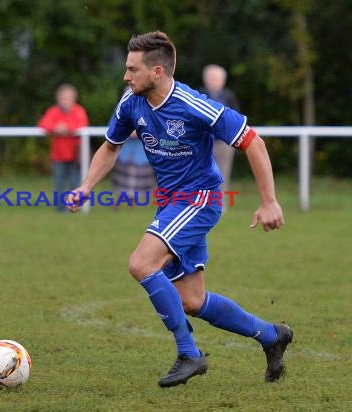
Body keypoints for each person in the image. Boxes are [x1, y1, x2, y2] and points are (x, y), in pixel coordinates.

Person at [67, 31, 292, 388]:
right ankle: (271, 335)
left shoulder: (193, 104)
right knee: (191, 300)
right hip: (171, 203)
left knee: (141, 263)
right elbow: (110, 147)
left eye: (132, 69)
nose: (126, 76)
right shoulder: (131, 102)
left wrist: (268, 201)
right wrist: (86, 186)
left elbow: (253, 141)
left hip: (200, 198)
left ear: (157, 71)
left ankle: (189, 353)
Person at [38, 83, 89, 212]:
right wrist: (56, 128)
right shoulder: (53, 112)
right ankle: (60, 210)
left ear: (74, 99)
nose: (64, 101)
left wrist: (65, 128)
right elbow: (44, 125)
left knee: (75, 184)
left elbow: (82, 125)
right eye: (62, 98)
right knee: (59, 184)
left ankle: (75, 208)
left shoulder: (79, 111)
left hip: (76, 156)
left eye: (67, 98)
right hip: (58, 156)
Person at [201, 64, 240, 195]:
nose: (214, 81)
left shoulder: (229, 96)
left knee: (223, 172)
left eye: (216, 78)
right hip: (204, 142)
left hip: (224, 142)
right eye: (211, 78)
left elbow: (237, 118)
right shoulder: (199, 95)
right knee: (203, 173)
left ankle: (220, 203)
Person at [111, 132, 155, 207]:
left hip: (141, 155)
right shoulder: (119, 119)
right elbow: (112, 131)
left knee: (137, 183)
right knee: (122, 182)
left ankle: (131, 202)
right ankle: (120, 202)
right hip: (125, 154)